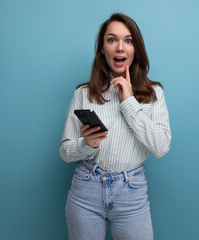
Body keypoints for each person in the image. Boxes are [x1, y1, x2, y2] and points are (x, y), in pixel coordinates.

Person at [60, 13, 171, 240]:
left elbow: (161, 147)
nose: (120, 47)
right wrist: (87, 144)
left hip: (132, 194)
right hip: (85, 192)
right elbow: (65, 152)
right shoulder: (83, 93)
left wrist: (129, 102)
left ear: (135, 48)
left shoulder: (154, 94)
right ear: (102, 48)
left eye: (128, 41)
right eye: (112, 40)